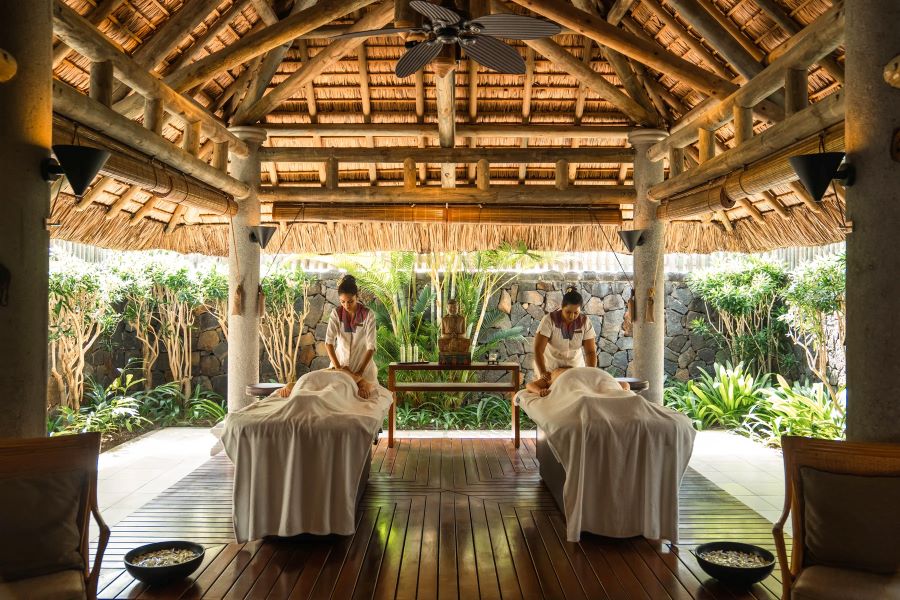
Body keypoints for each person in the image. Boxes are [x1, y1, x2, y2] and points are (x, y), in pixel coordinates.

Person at [532, 286, 598, 389]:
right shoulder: (549, 320)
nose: (572, 316)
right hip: (551, 369)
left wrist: (591, 374)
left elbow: (590, 352)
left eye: (576, 313)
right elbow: (538, 349)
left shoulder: (585, 322)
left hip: (575, 368)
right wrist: (543, 372)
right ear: (562, 307)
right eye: (568, 312)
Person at [324, 274, 378, 399]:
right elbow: (329, 343)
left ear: (357, 297)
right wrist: (339, 369)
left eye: (350, 301)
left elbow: (371, 346)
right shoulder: (336, 314)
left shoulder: (367, 315)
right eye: (342, 302)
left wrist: (360, 372)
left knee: (363, 397)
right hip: (340, 364)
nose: (346, 305)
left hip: (363, 368)